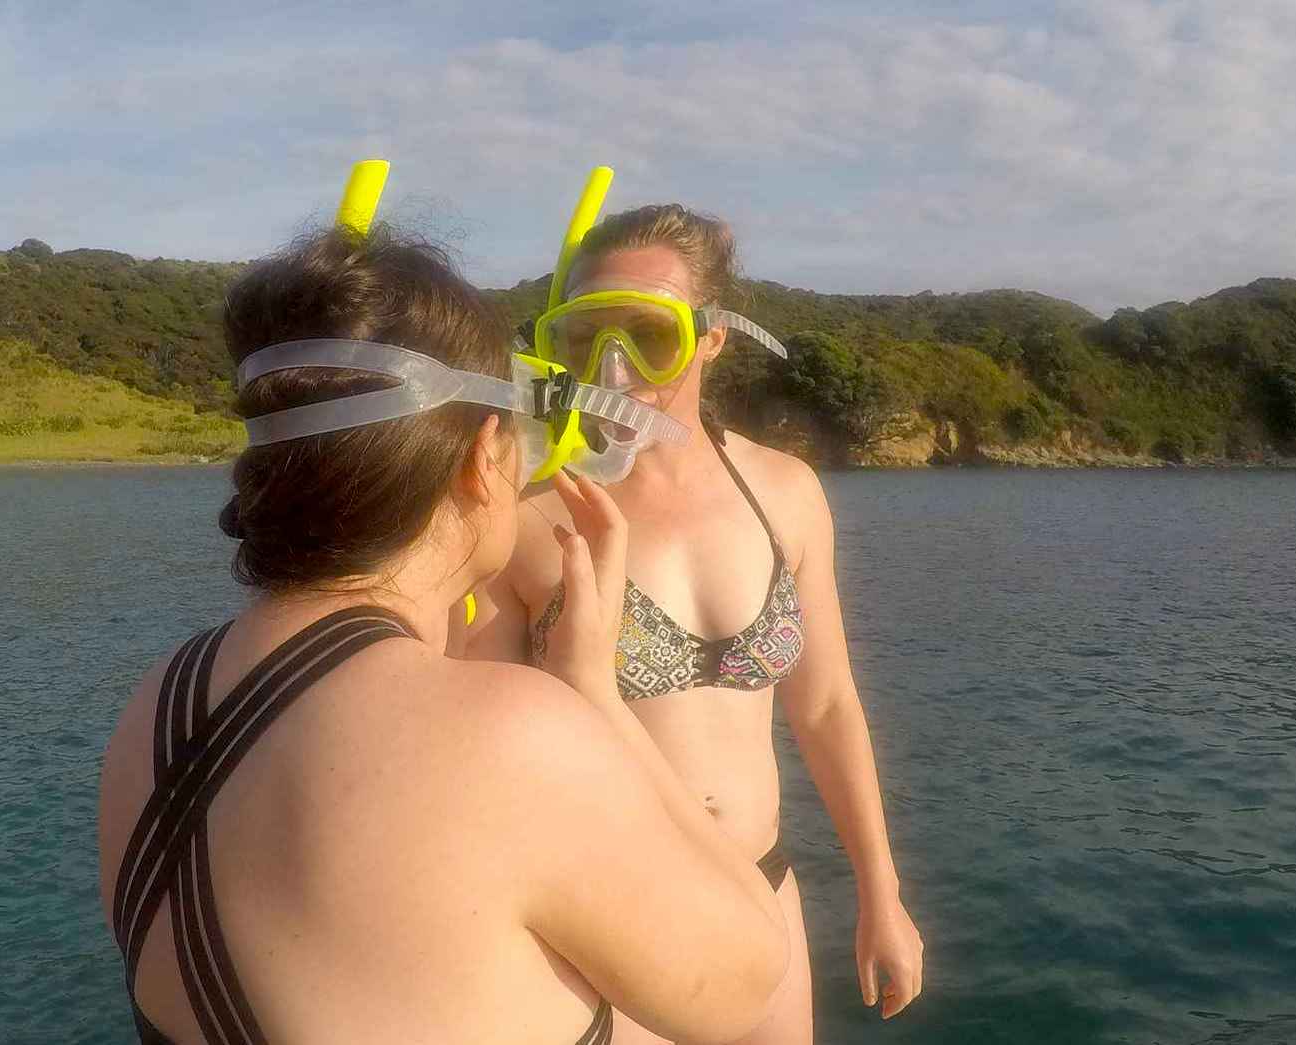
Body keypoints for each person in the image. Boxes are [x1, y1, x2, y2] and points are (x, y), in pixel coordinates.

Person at [96, 225, 788, 1045]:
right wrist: (595, 695)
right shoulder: (510, 732)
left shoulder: (158, 703)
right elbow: (747, 981)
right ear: (481, 458)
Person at [468, 201, 925, 1043]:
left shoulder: (783, 491)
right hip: (604, 912)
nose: (612, 368)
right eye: (584, 337)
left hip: (760, 890)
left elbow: (824, 706)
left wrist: (879, 891)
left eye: (648, 333)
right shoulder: (525, 517)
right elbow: (473, 748)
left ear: (711, 336)